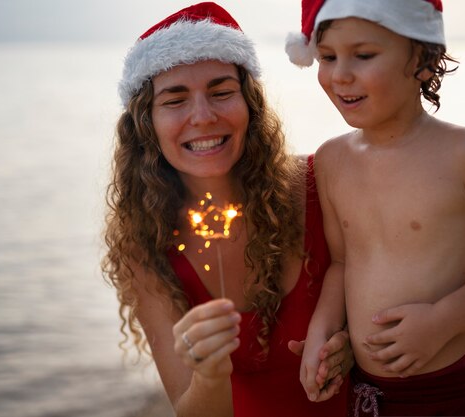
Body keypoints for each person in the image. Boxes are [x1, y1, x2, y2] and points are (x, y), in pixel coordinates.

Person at [285, 0, 465, 415]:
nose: (340, 74)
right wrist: (319, 334)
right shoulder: (332, 160)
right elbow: (342, 263)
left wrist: (442, 321)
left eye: (364, 55)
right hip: (363, 389)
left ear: (425, 61)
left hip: (446, 389)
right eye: (327, 57)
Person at [102, 3, 352, 416]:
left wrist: (353, 349)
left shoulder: (319, 183)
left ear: (249, 104)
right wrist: (210, 374)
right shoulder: (144, 248)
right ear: (146, 124)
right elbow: (192, 410)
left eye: (221, 93)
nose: (203, 117)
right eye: (174, 100)